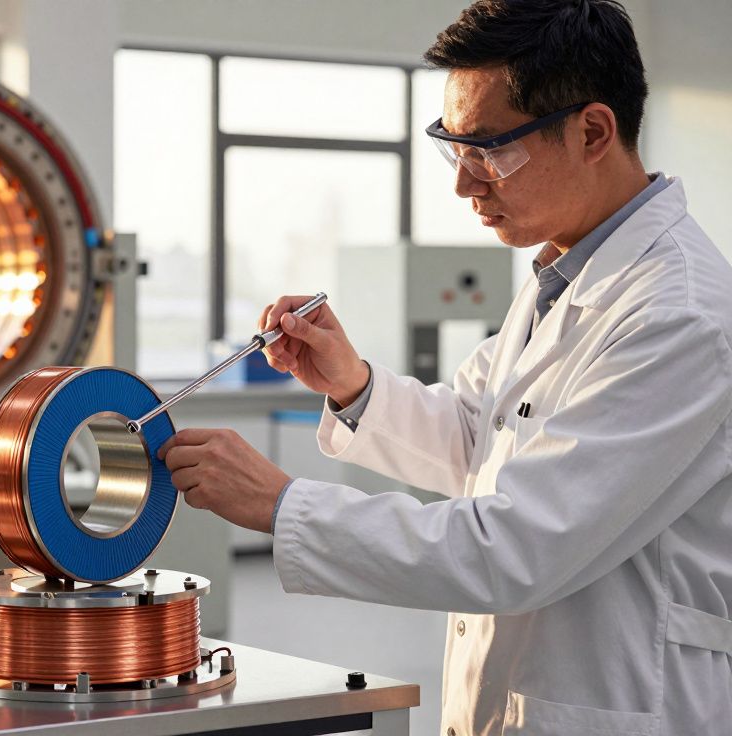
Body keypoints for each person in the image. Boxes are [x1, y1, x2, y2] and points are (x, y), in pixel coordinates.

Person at [159, 1, 732, 733]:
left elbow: (512, 550)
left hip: (620, 704)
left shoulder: (676, 315)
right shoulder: (563, 273)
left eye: (490, 150)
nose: (466, 185)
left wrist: (279, 502)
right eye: (453, 149)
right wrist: (353, 385)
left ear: (592, 131)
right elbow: (481, 438)